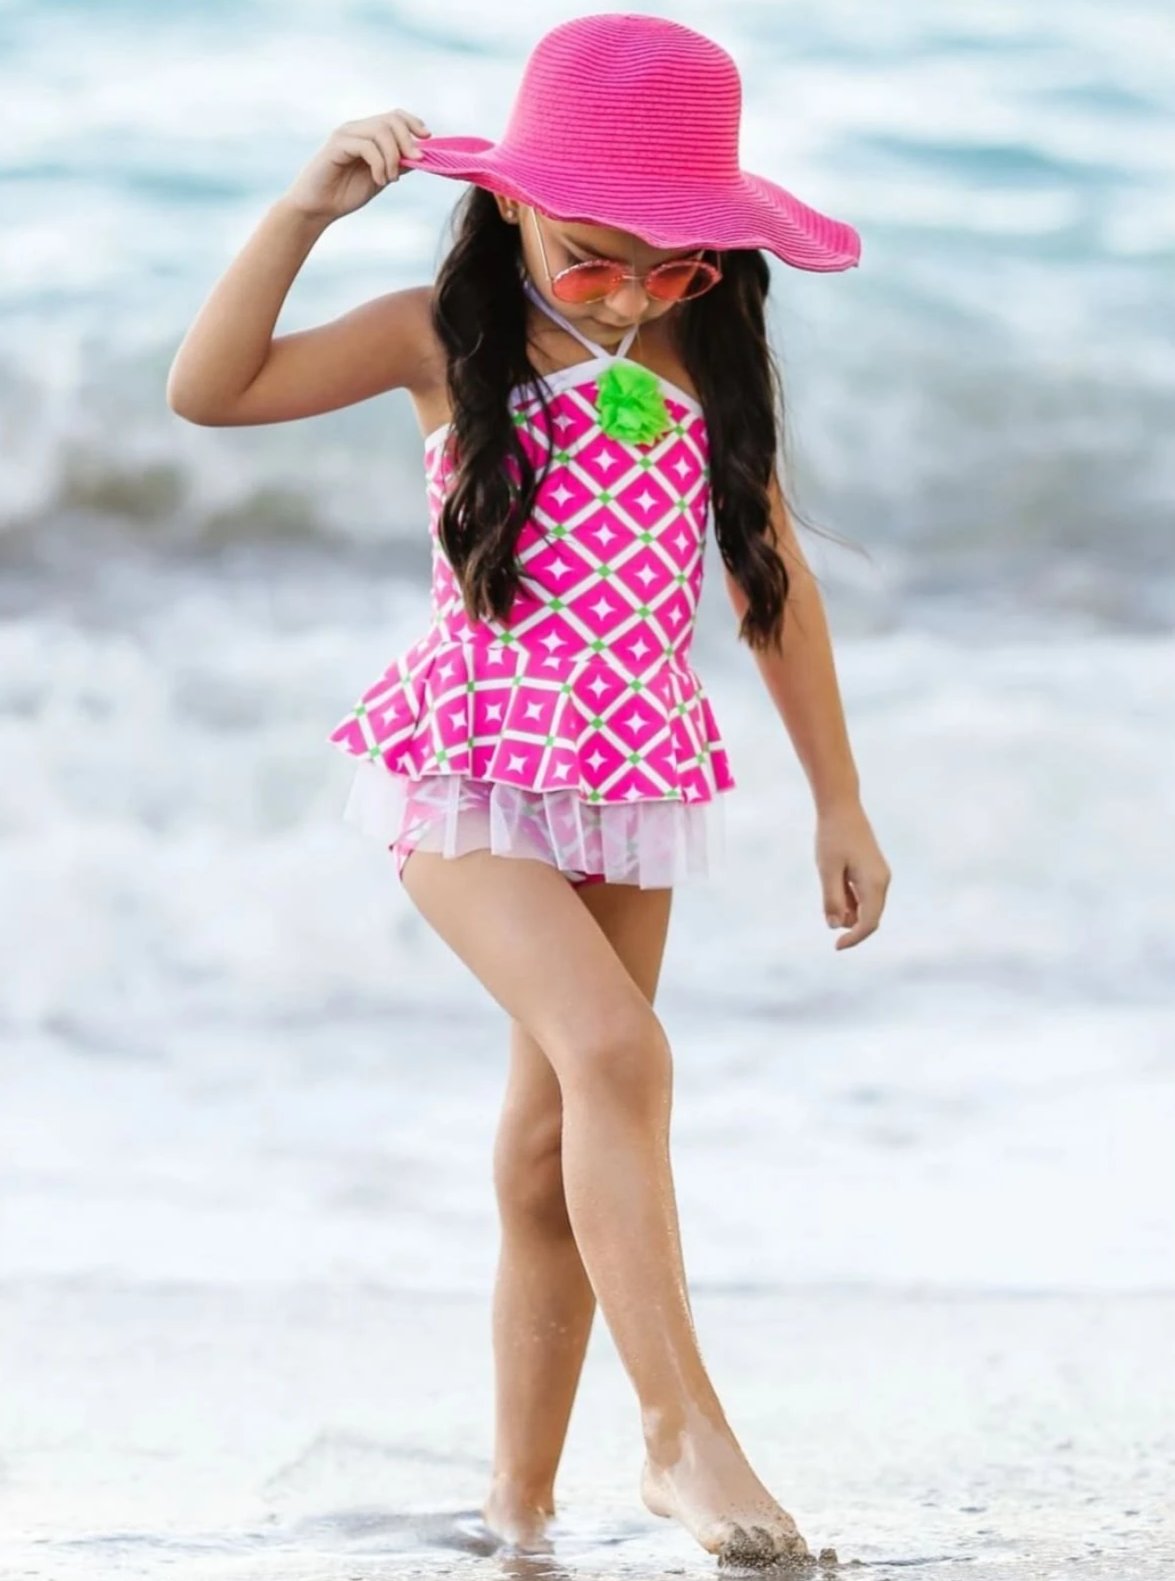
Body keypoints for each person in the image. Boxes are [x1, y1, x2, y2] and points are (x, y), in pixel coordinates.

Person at [167, 11, 891, 1568]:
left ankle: (519, 1511)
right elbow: (209, 393)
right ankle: (682, 1432)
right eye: (591, 261)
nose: (626, 295)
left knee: (548, 1149)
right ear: (509, 204)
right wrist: (300, 213)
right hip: (462, 765)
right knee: (619, 1053)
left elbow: (773, 587)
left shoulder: (700, 356)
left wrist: (839, 800)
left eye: (672, 269)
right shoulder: (440, 338)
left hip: (631, 772)